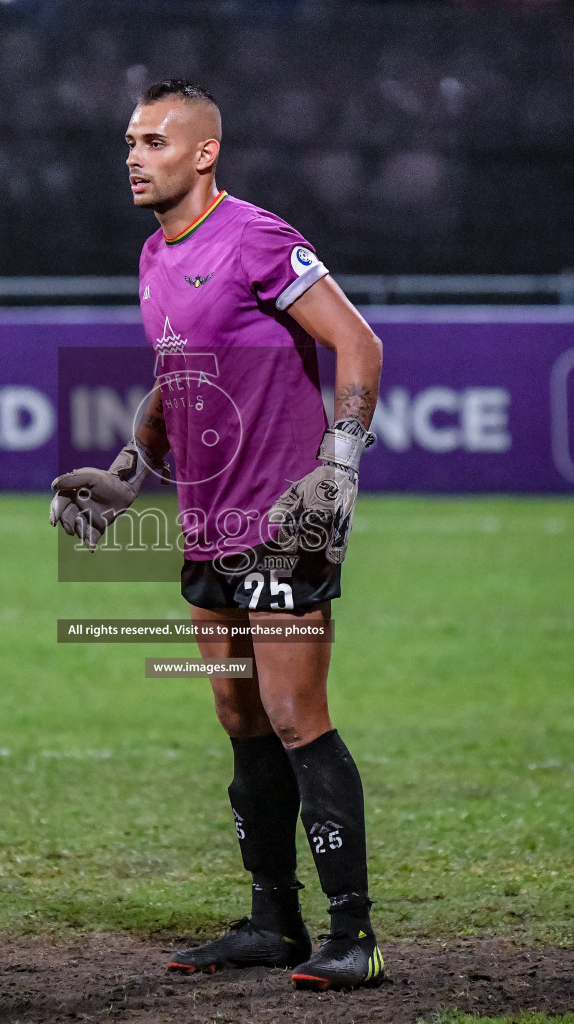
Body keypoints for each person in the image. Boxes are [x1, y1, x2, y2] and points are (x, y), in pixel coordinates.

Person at [48, 79, 386, 992]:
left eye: (155, 140)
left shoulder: (259, 238)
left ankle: (353, 935)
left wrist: (339, 465)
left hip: (285, 518)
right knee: (239, 718)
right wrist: (131, 471)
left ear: (204, 154)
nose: (133, 155)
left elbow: (359, 345)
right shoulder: (156, 255)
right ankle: (273, 922)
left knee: (292, 715)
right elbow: (179, 376)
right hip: (206, 520)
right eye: (129, 140)